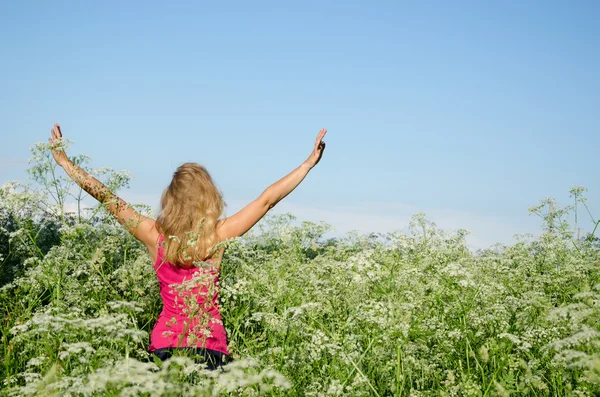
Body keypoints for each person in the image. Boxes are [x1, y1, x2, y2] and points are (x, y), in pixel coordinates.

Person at [48, 124, 327, 370]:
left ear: (170, 199)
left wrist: (64, 162)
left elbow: (108, 199)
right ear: (209, 197)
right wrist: (306, 165)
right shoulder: (218, 235)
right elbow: (267, 200)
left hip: (163, 348)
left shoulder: (152, 234)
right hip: (210, 349)